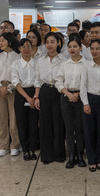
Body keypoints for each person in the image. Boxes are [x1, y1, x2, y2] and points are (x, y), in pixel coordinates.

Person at [55, 33, 86, 169]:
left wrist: (78, 94)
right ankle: (71, 155)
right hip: (66, 97)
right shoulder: (64, 64)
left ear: (80, 48)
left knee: (80, 128)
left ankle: (80, 155)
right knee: (69, 128)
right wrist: (67, 93)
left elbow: (88, 83)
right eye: (70, 46)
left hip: (81, 98)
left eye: (75, 46)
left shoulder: (86, 64)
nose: (72, 49)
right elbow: (58, 81)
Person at [34, 32, 66, 164]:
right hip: (45, 91)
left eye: (52, 42)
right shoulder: (41, 60)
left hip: (59, 91)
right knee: (45, 123)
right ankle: (47, 154)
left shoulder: (64, 60)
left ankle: (59, 154)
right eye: (47, 42)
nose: (49, 45)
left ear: (58, 43)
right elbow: (37, 79)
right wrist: (36, 96)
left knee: (59, 123)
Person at [0, 32, 20, 157]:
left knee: (13, 118)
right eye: (0, 40)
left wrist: (9, 88)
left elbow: (19, 76)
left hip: (13, 88)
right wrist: (0, 87)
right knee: (1, 118)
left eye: (3, 40)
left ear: (10, 41)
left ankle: (15, 145)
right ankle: (3, 146)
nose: (0, 42)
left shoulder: (17, 57)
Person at [81, 39, 100, 172]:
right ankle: (91, 159)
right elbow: (83, 86)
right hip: (89, 99)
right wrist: (85, 103)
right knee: (89, 131)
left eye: (97, 49)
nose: (94, 51)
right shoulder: (86, 65)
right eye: (92, 49)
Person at [11, 38, 39, 161]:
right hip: (21, 94)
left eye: (29, 46)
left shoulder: (37, 63)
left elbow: (38, 80)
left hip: (34, 93)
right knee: (22, 122)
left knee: (33, 123)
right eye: (23, 47)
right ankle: (25, 150)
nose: (26, 49)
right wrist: (28, 97)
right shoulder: (16, 64)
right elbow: (16, 82)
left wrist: (35, 97)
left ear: (32, 48)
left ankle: (32, 149)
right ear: (19, 49)